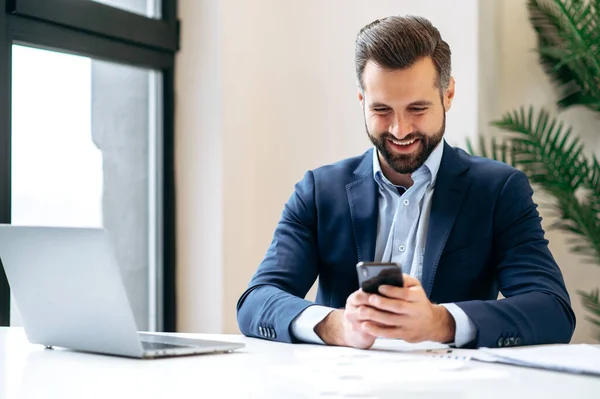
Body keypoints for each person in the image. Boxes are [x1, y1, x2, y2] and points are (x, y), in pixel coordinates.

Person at [236, 15, 575, 349]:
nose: (399, 130)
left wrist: (441, 322)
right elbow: (256, 301)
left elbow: (551, 309)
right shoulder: (319, 191)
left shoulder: (499, 190)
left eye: (417, 109)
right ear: (362, 101)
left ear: (448, 94)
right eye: (382, 110)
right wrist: (337, 326)